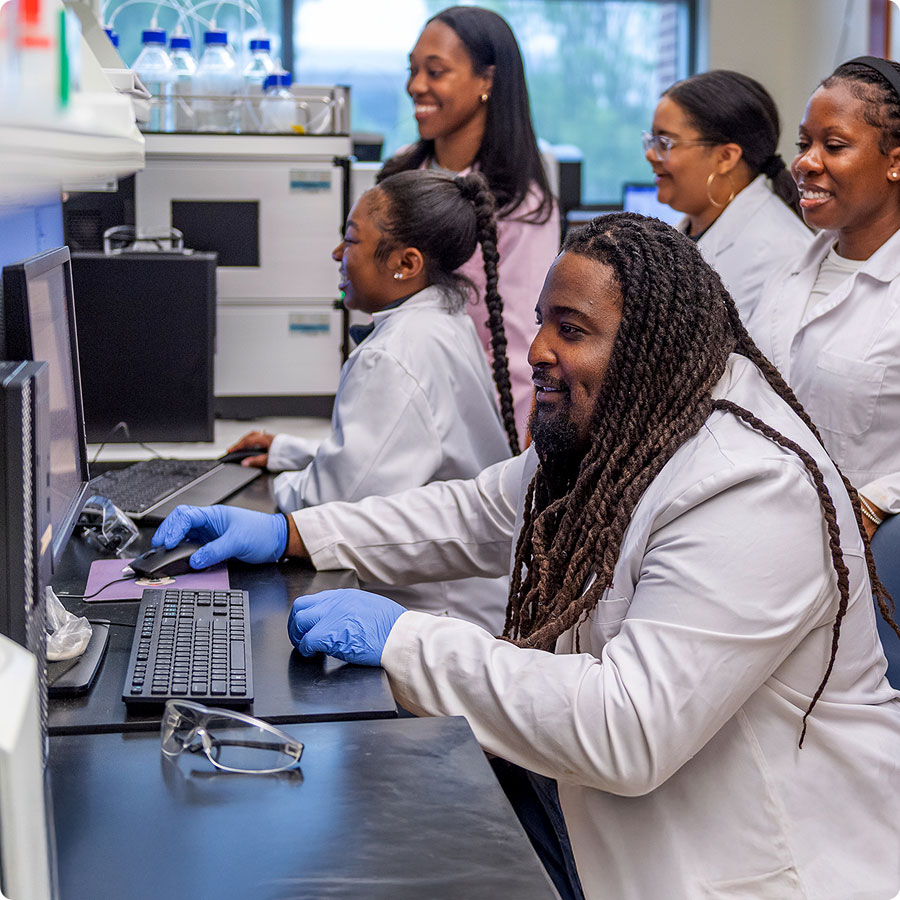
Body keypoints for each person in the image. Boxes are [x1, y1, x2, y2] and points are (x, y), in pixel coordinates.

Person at [156, 214, 900, 899]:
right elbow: (472, 510)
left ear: (649, 348)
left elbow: (628, 729)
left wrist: (405, 638)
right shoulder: (627, 427)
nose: (538, 350)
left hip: (734, 864)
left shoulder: (748, 486)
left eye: (569, 329)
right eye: (543, 321)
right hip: (597, 813)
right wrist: (295, 533)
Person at [178, 170, 517, 633]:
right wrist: (292, 451)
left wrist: (266, 501)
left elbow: (335, 504)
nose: (338, 254)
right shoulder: (442, 319)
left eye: (351, 240)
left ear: (406, 262)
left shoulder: (394, 354)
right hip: (479, 594)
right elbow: (409, 453)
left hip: (440, 615)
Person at [378, 5, 560, 437]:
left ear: (487, 81)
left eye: (435, 72)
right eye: (413, 69)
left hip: (472, 428)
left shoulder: (519, 203)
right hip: (388, 400)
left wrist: (517, 462)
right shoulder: (397, 177)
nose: (415, 86)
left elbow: (520, 347)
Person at [747, 56, 900, 540]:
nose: (805, 163)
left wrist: (879, 501)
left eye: (833, 146)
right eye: (804, 144)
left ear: (895, 161)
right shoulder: (790, 272)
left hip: (861, 559)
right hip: (760, 527)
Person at [644, 69, 812, 320]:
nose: (650, 154)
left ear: (726, 157)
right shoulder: (686, 230)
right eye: (651, 141)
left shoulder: (782, 253)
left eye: (665, 143)